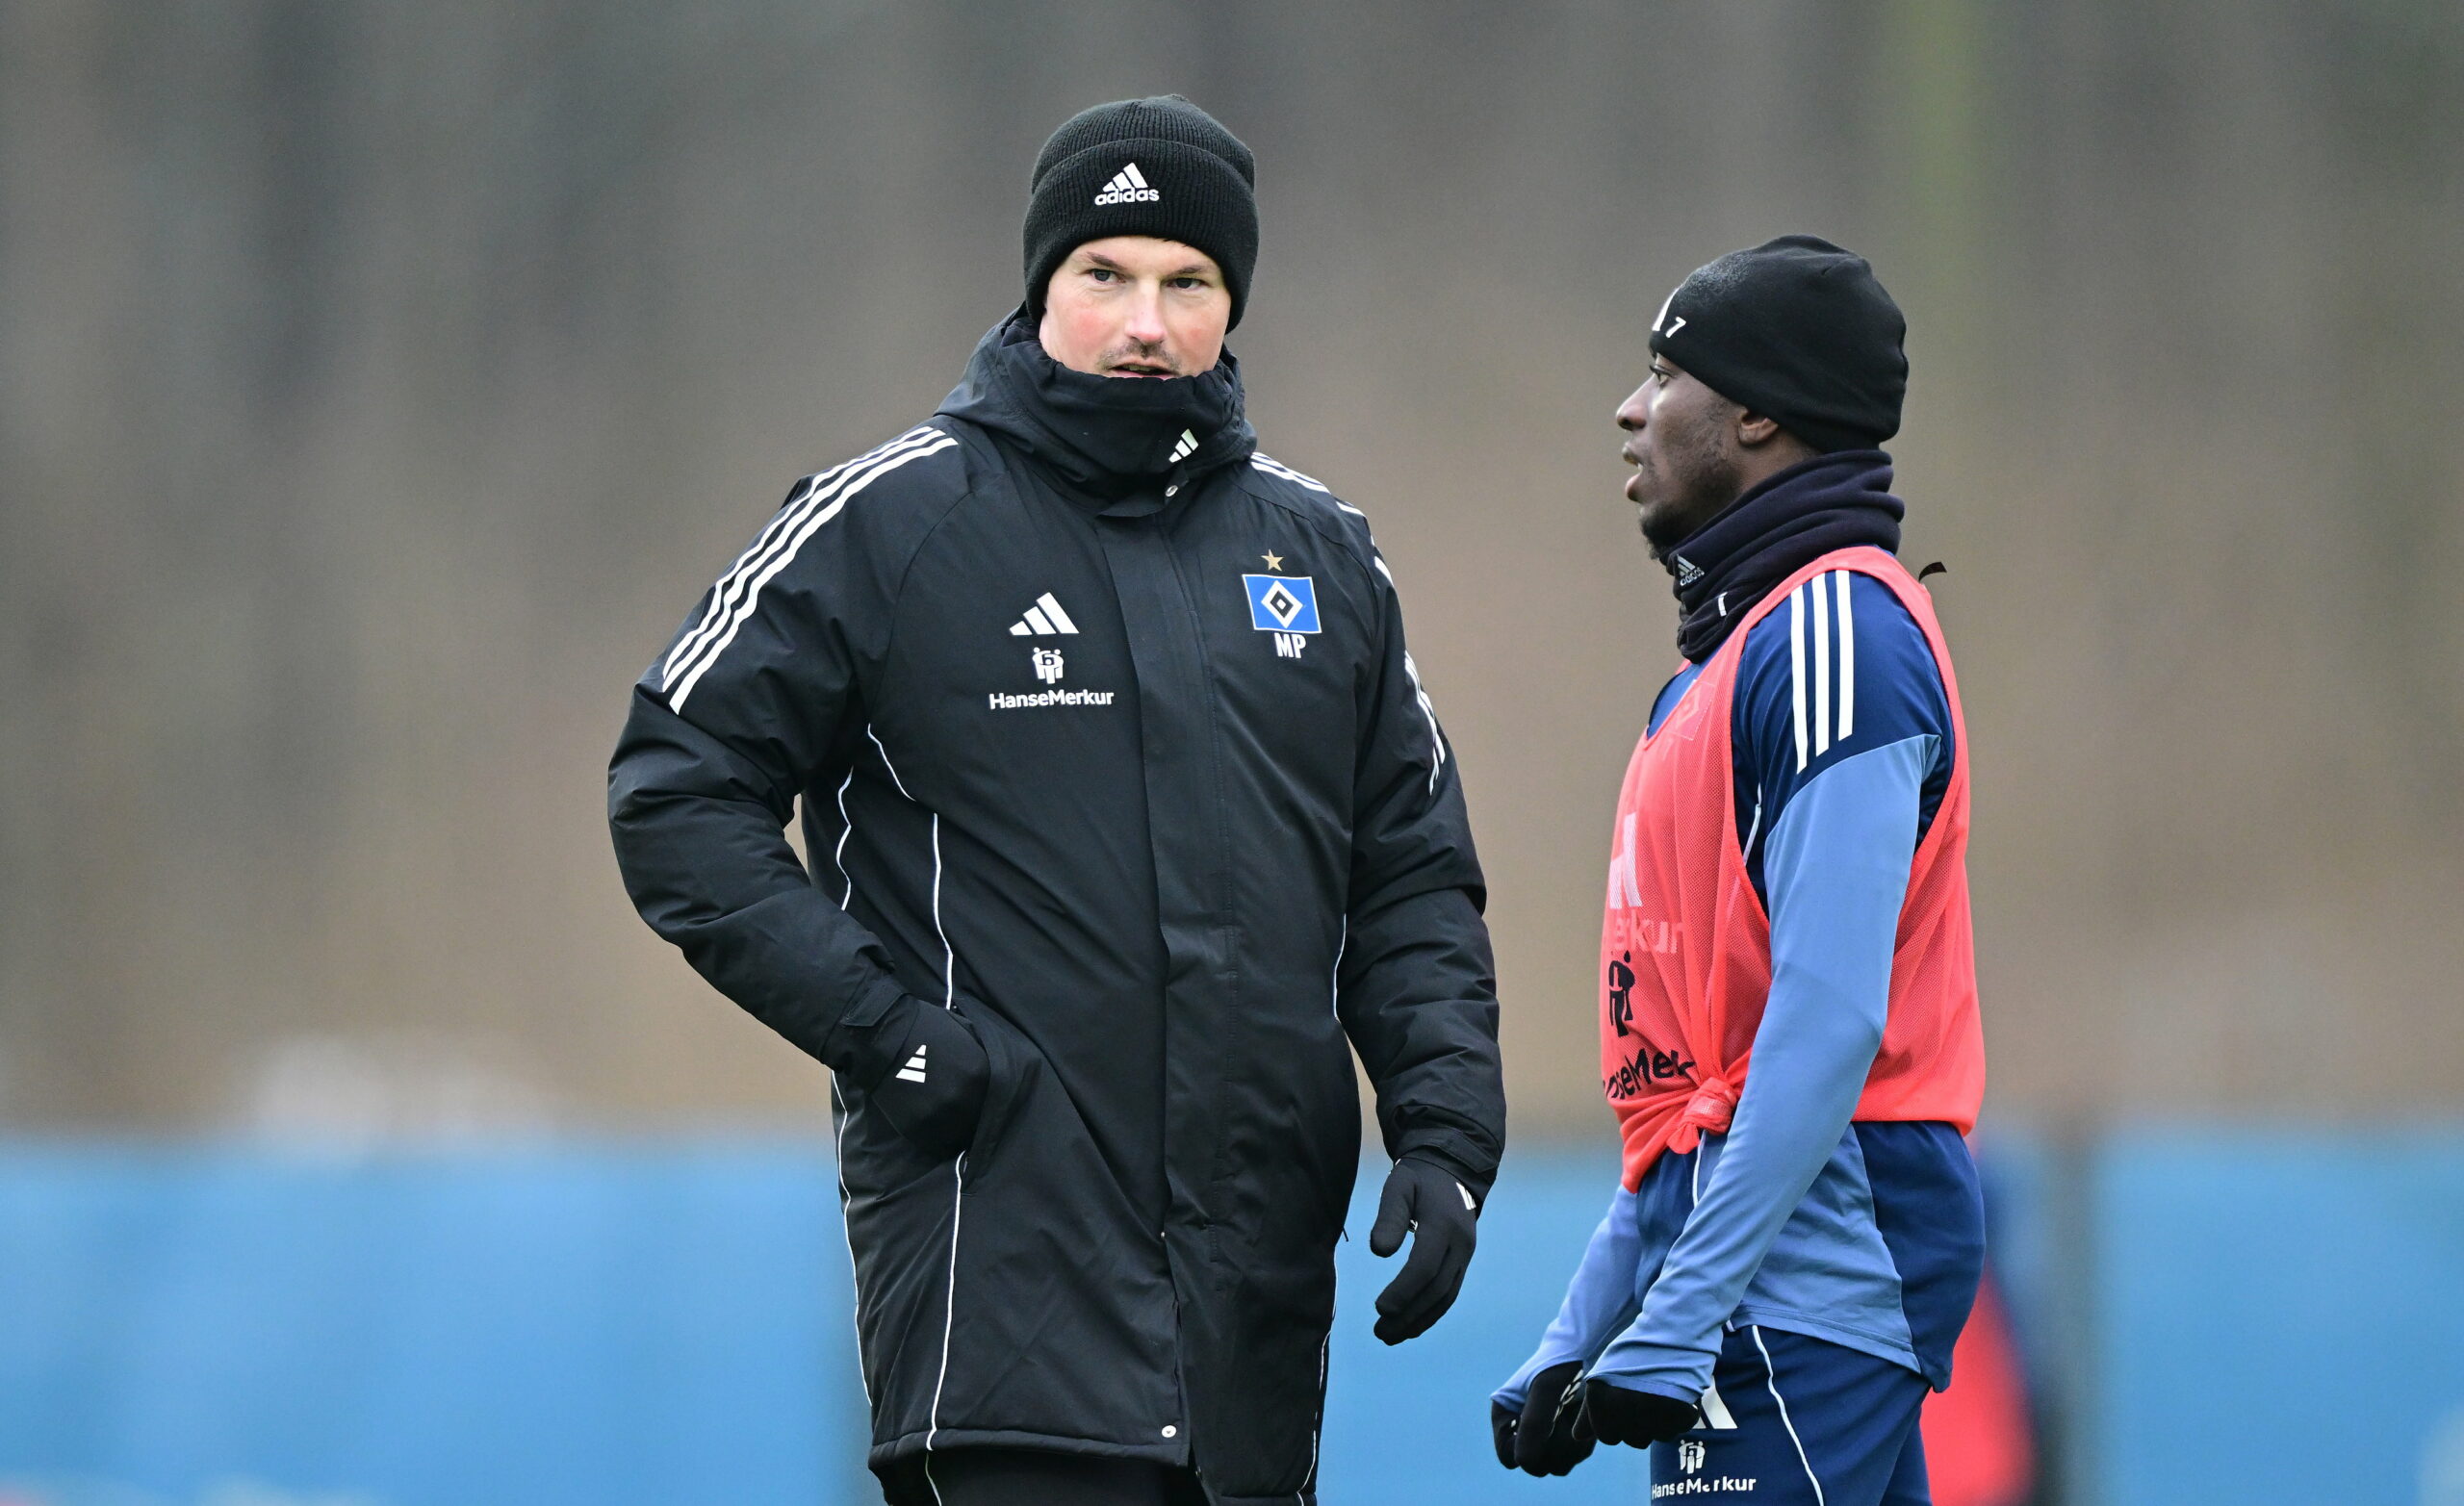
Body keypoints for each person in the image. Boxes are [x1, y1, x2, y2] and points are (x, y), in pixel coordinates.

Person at [607, 95, 1504, 1506]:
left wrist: (1445, 1133)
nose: (1145, 322)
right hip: (997, 1304)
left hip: (1253, 1333)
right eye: (1105, 275)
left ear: (1233, 304)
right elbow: (674, 788)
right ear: (1041, 287)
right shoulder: (889, 521)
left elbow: (1411, 876)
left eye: (1187, 282)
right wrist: (890, 1035)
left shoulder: (1323, 556)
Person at [1490, 237, 1987, 1505]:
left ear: (1759, 413)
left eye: (1666, 375)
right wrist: (1594, 1311)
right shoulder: (1723, 665)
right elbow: (1693, 1088)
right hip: (1757, 1272)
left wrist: (1681, 1309)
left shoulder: (1837, 638)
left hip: (1812, 1270)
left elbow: (1826, 1021)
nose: (1631, 409)